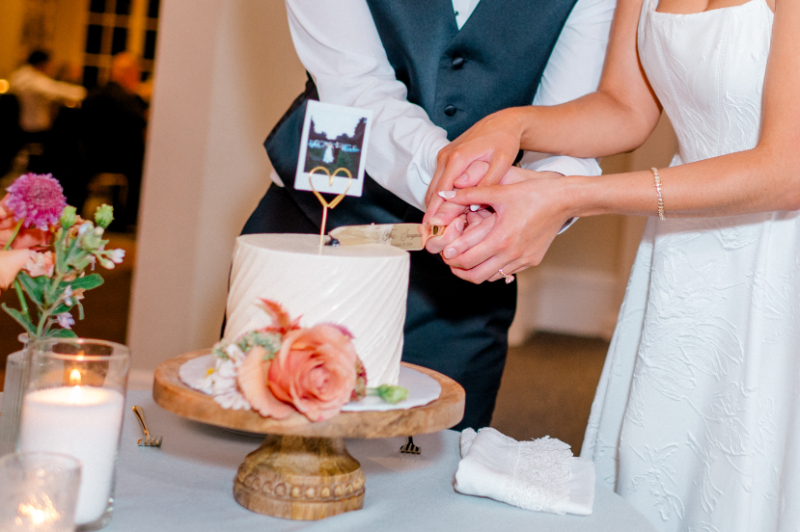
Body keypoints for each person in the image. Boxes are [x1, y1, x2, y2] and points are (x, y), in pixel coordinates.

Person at [425, 0, 798, 529]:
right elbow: (625, 107)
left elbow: (787, 171)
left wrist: (573, 195)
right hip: (683, 261)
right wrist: (510, 127)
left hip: (780, 262)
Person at [240, 0, 615, 430]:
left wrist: (542, 200)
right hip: (315, 234)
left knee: (429, 466)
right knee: (263, 453)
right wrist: (462, 188)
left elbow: (571, 122)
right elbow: (356, 87)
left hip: (465, 281)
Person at [81, 52, 148, 230]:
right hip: (119, 159)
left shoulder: (93, 94)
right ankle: (130, 218)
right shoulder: (127, 99)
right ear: (128, 73)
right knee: (144, 163)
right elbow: (140, 124)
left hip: (91, 157)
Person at [9, 50, 86, 143]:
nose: (52, 67)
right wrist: (84, 93)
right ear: (42, 64)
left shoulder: (19, 77)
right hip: (36, 126)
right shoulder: (35, 81)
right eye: (50, 64)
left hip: (20, 125)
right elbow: (57, 90)